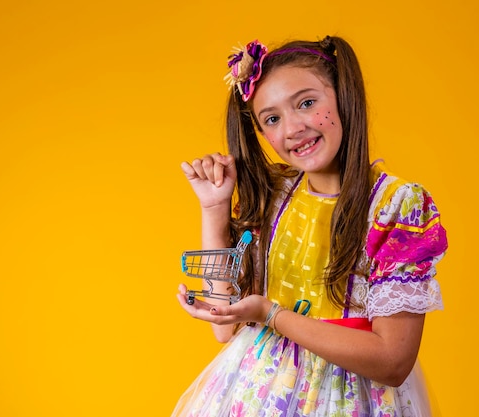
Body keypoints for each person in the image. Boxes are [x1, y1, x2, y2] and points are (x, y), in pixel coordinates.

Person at [173, 35, 448, 417]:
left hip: (348, 402)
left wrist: (272, 315)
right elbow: (224, 330)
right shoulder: (276, 194)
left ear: (342, 96)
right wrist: (215, 208)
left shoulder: (396, 205)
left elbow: (393, 361)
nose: (293, 128)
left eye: (306, 103)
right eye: (272, 118)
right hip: (257, 397)